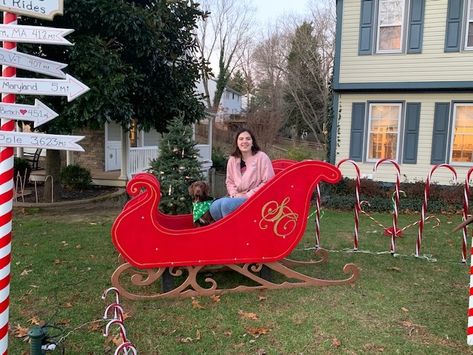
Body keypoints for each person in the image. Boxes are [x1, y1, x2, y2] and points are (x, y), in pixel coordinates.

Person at [209, 128, 275, 221]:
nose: (244, 141)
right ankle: (228, 230)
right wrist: (234, 194)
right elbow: (229, 181)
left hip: (255, 198)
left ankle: (232, 232)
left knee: (226, 205)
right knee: (214, 207)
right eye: (241, 139)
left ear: (252, 142)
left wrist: (247, 195)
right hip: (236, 196)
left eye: (248, 139)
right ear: (237, 143)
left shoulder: (262, 157)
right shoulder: (233, 159)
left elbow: (268, 182)